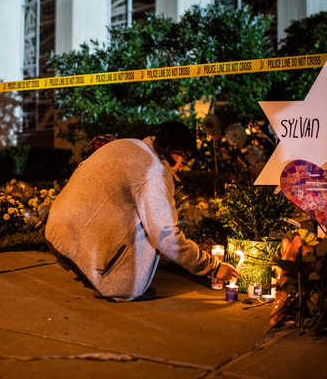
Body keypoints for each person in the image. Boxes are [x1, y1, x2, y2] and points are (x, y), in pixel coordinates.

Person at [45, 121, 238, 302]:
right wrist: (212, 267)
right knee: (151, 225)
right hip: (82, 237)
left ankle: (88, 268)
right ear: (171, 146)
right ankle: (115, 283)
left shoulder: (126, 145)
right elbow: (165, 235)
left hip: (58, 233)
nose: (181, 167)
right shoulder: (154, 170)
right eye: (183, 159)